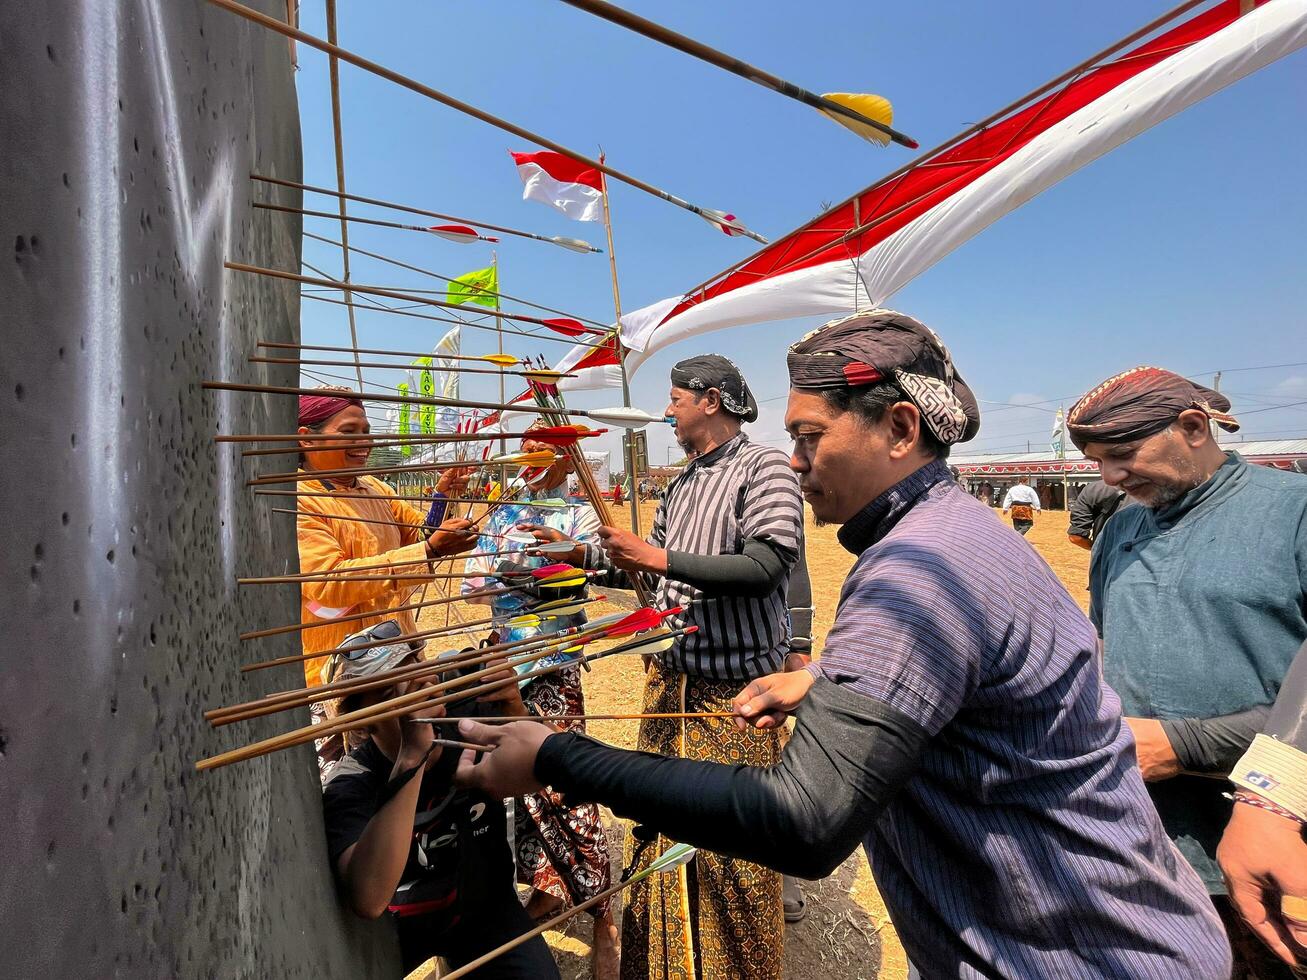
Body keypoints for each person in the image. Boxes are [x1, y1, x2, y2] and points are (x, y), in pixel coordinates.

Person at [456, 311, 1230, 979]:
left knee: (727, 883)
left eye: (809, 437)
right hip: (1087, 940)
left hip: (1080, 955)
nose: (795, 461)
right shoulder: (950, 537)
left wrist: (555, 756)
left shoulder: (917, 567)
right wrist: (829, 676)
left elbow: (803, 819)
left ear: (899, 428)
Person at [529, 354, 802, 979]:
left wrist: (654, 556)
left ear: (711, 401)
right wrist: (582, 556)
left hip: (734, 697)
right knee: (660, 833)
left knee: (728, 854)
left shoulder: (763, 469)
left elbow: (765, 568)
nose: (668, 410)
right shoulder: (679, 483)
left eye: (677, 398)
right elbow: (650, 579)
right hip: (670, 682)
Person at [1070, 365, 1307, 978]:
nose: (1110, 477)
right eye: (1099, 461)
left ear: (1194, 427)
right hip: (1147, 847)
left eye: (1122, 454)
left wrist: (1181, 744)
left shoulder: (1295, 514)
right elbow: (1105, 645)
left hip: (1276, 844)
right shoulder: (1120, 527)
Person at [461, 424, 618, 979]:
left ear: (565, 461)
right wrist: (505, 566)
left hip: (554, 664)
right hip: (504, 666)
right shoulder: (501, 512)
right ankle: (548, 891)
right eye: (525, 452)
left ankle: (600, 909)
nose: (531, 462)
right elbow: (470, 583)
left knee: (562, 782)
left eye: (544, 453)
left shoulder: (580, 517)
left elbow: (588, 583)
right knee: (513, 782)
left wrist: (547, 563)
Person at [319, 637, 560, 978]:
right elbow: (368, 899)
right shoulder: (352, 782)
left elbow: (560, 769)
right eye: (393, 697)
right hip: (397, 932)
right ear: (364, 722)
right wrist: (411, 756)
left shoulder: (469, 724)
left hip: (486, 912)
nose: (418, 703)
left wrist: (514, 710)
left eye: (420, 684)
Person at [294, 388, 478, 773]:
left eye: (368, 430)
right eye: (350, 432)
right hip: (339, 681)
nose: (366, 442)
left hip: (399, 665)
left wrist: (442, 498)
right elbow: (328, 582)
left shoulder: (375, 488)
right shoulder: (298, 498)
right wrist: (428, 552)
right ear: (306, 438)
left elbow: (421, 534)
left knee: (415, 779)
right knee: (356, 793)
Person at [1066, 478, 1126, 551]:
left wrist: (1097, 549)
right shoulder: (1143, 488)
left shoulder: (1093, 489)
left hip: (1106, 555)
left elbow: (1076, 538)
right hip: (1141, 556)